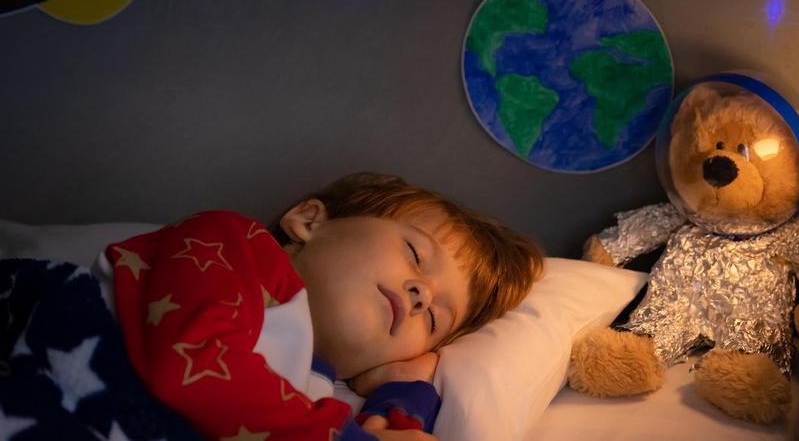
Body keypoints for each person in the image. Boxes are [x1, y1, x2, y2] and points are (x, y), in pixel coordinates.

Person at [95, 172, 543, 440]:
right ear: (310, 221)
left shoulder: (316, 393)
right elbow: (193, 364)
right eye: (415, 253)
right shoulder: (231, 245)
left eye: (432, 319)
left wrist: (404, 384)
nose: (422, 294)